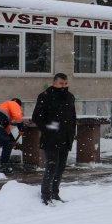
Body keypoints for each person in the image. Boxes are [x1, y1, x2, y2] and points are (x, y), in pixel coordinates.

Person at [32, 73, 77, 205]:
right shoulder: (45, 96)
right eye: (60, 83)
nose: (63, 86)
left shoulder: (70, 97)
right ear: (54, 83)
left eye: (65, 83)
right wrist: (49, 129)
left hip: (65, 137)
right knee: (52, 165)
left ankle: (55, 193)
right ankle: (45, 195)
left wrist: (72, 133)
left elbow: (72, 117)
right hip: (51, 138)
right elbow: (37, 117)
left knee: (61, 167)